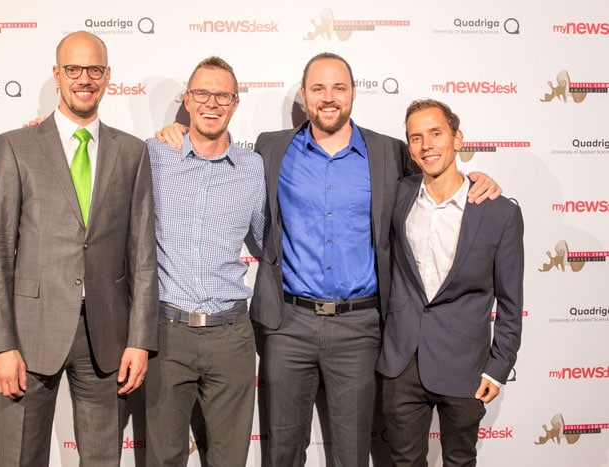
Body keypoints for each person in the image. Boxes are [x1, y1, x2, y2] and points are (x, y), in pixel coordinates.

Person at [156, 52, 499, 466]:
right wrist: (175, 131)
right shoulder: (271, 148)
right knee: (282, 452)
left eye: (339, 87)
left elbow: (437, 177)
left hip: (359, 327)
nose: (329, 97)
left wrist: (476, 179)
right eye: (318, 88)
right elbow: (213, 149)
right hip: (288, 325)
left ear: (353, 93)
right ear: (304, 95)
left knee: (351, 454)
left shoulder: (389, 152)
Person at [0, 31, 158, 467]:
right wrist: (1, 344)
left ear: (108, 76)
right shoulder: (16, 147)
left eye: (94, 69)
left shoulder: (132, 152)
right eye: (74, 69)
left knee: (102, 460)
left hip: (107, 337)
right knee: (21, 458)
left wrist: (139, 340)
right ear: (57, 74)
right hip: (29, 334)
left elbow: (142, 256)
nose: (85, 79)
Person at [376, 99, 523, 466]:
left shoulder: (499, 212)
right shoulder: (397, 196)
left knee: (460, 460)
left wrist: (499, 367)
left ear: (458, 139)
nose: (427, 145)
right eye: (416, 138)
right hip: (402, 361)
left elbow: (510, 301)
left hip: (465, 365)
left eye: (436, 133)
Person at [144, 56, 265, 466]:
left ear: (235, 103)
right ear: (187, 100)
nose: (212, 103)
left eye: (222, 96)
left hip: (231, 336)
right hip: (166, 332)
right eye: (202, 93)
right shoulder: (154, 154)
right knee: (164, 457)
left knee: (230, 459)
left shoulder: (253, 168)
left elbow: (267, 241)